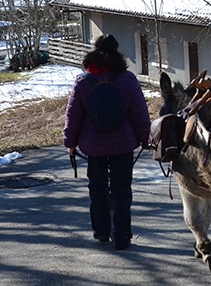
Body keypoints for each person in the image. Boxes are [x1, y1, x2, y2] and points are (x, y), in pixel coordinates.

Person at [63, 34, 151, 250]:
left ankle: (101, 231)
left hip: (93, 146)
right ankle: (122, 236)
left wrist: (70, 142)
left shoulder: (83, 81)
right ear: (117, 51)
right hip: (123, 145)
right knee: (122, 191)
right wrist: (145, 139)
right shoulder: (127, 79)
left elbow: (73, 115)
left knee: (98, 188)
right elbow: (139, 113)